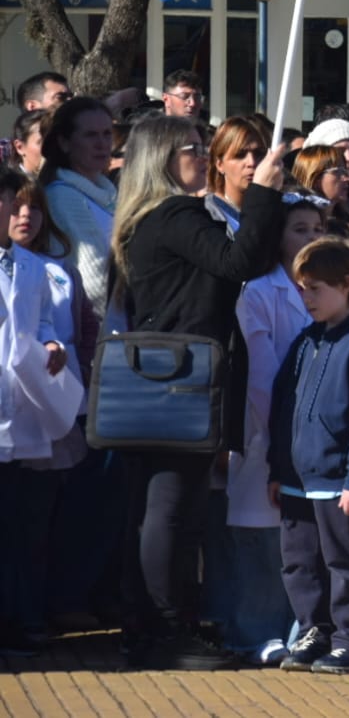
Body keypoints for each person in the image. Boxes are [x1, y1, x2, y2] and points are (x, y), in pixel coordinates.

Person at [111, 114, 285, 669]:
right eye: (192, 147)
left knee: (161, 508)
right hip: (179, 379)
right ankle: (165, 630)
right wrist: (262, 195)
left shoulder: (147, 218)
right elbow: (242, 263)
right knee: (169, 509)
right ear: (163, 158)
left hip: (162, 377)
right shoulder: (177, 213)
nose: (201, 155)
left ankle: (150, 624)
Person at [268, 238, 349, 675]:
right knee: (299, 561)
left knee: (344, 560)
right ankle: (313, 630)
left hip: (337, 479)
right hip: (295, 479)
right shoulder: (305, 340)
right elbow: (283, 408)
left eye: (315, 289)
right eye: (301, 289)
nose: (306, 298)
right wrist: (276, 469)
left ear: (346, 285)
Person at [227, 195, 322, 666]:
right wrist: (278, 443)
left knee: (300, 539)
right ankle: (252, 632)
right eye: (298, 229)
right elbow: (261, 376)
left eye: (316, 229)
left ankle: (296, 630)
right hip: (265, 431)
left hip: (315, 435)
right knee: (261, 538)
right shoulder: (259, 291)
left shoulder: (327, 290)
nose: (309, 239)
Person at [0, 166, 75, 656]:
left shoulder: (30, 266)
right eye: (10, 202)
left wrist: (52, 343)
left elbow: (45, 319)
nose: (17, 212)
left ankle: (23, 618)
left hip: (24, 407)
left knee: (25, 525)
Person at [40, 96, 118, 322]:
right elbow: (94, 281)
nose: (102, 144)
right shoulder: (62, 196)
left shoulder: (109, 193)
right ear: (65, 142)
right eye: (90, 135)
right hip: (90, 331)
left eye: (107, 133)